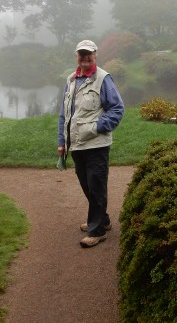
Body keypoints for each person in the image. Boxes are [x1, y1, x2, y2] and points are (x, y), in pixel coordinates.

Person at [57, 39, 125, 248]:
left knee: (96, 186)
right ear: (76, 56)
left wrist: (96, 127)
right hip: (77, 145)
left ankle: (96, 231)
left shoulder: (103, 78)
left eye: (89, 53)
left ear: (95, 55)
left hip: (96, 144)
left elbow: (117, 109)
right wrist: (62, 141)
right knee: (87, 185)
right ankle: (102, 220)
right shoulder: (71, 79)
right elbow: (64, 114)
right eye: (81, 54)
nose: (85, 57)